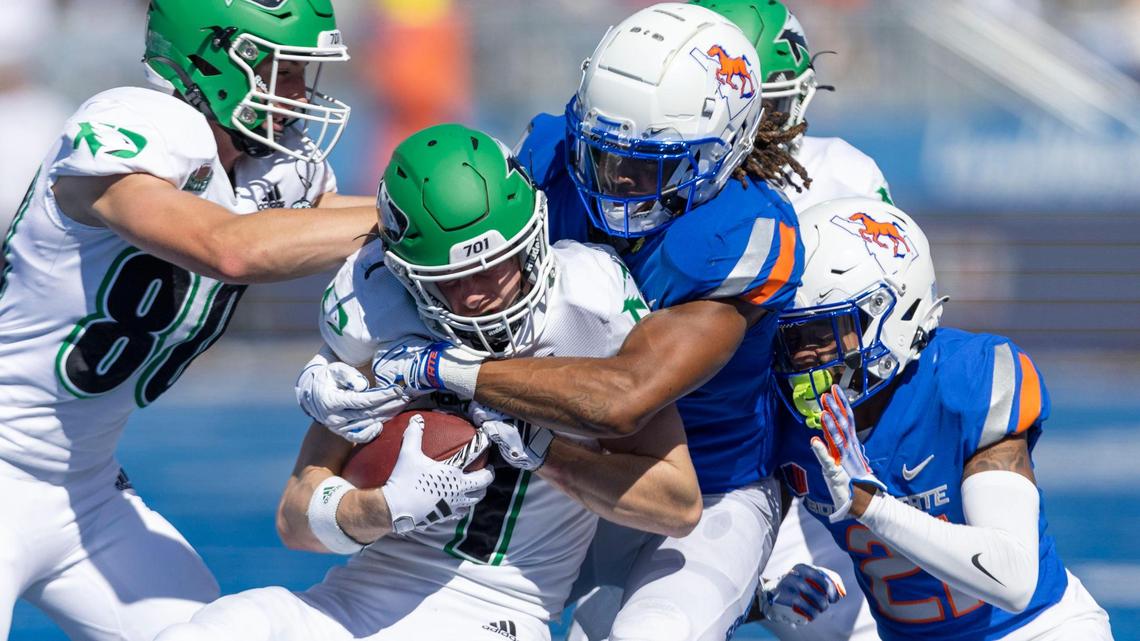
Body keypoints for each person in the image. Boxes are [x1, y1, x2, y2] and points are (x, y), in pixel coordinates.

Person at [350, 5, 849, 641]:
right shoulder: (552, 155)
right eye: (605, 153)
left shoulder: (742, 233)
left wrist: (436, 366)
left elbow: (625, 398)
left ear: (726, 152)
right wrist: (351, 357)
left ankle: (745, 591)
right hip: (548, 476)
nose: (619, 182)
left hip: (702, 491)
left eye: (652, 164)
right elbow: (434, 241)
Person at [155, 123, 702, 641]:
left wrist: (550, 453)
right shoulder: (381, 316)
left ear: (533, 239)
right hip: (357, 599)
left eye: (492, 268)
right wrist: (383, 507)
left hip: (498, 614)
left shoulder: (590, 310)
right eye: (446, 280)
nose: (473, 296)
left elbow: (677, 505)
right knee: (230, 622)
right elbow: (295, 517)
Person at [0, 1, 377, 639]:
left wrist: (475, 215)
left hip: (86, 489)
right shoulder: (134, 126)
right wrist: (405, 221)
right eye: (281, 71)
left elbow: (327, 218)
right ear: (212, 60)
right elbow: (230, 248)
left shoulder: (264, 165)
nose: (297, 94)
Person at [769, 196, 1114, 641]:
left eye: (823, 333)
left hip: (1035, 630)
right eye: (790, 337)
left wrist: (871, 506)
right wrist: (765, 597)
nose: (802, 358)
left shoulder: (965, 379)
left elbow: (1013, 578)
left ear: (894, 315)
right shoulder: (783, 416)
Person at [685, 2, 891, 638]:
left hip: (811, 452)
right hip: (700, 454)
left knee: (844, 620)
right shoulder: (661, 185)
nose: (756, 137)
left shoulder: (841, 173)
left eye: (768, 113)